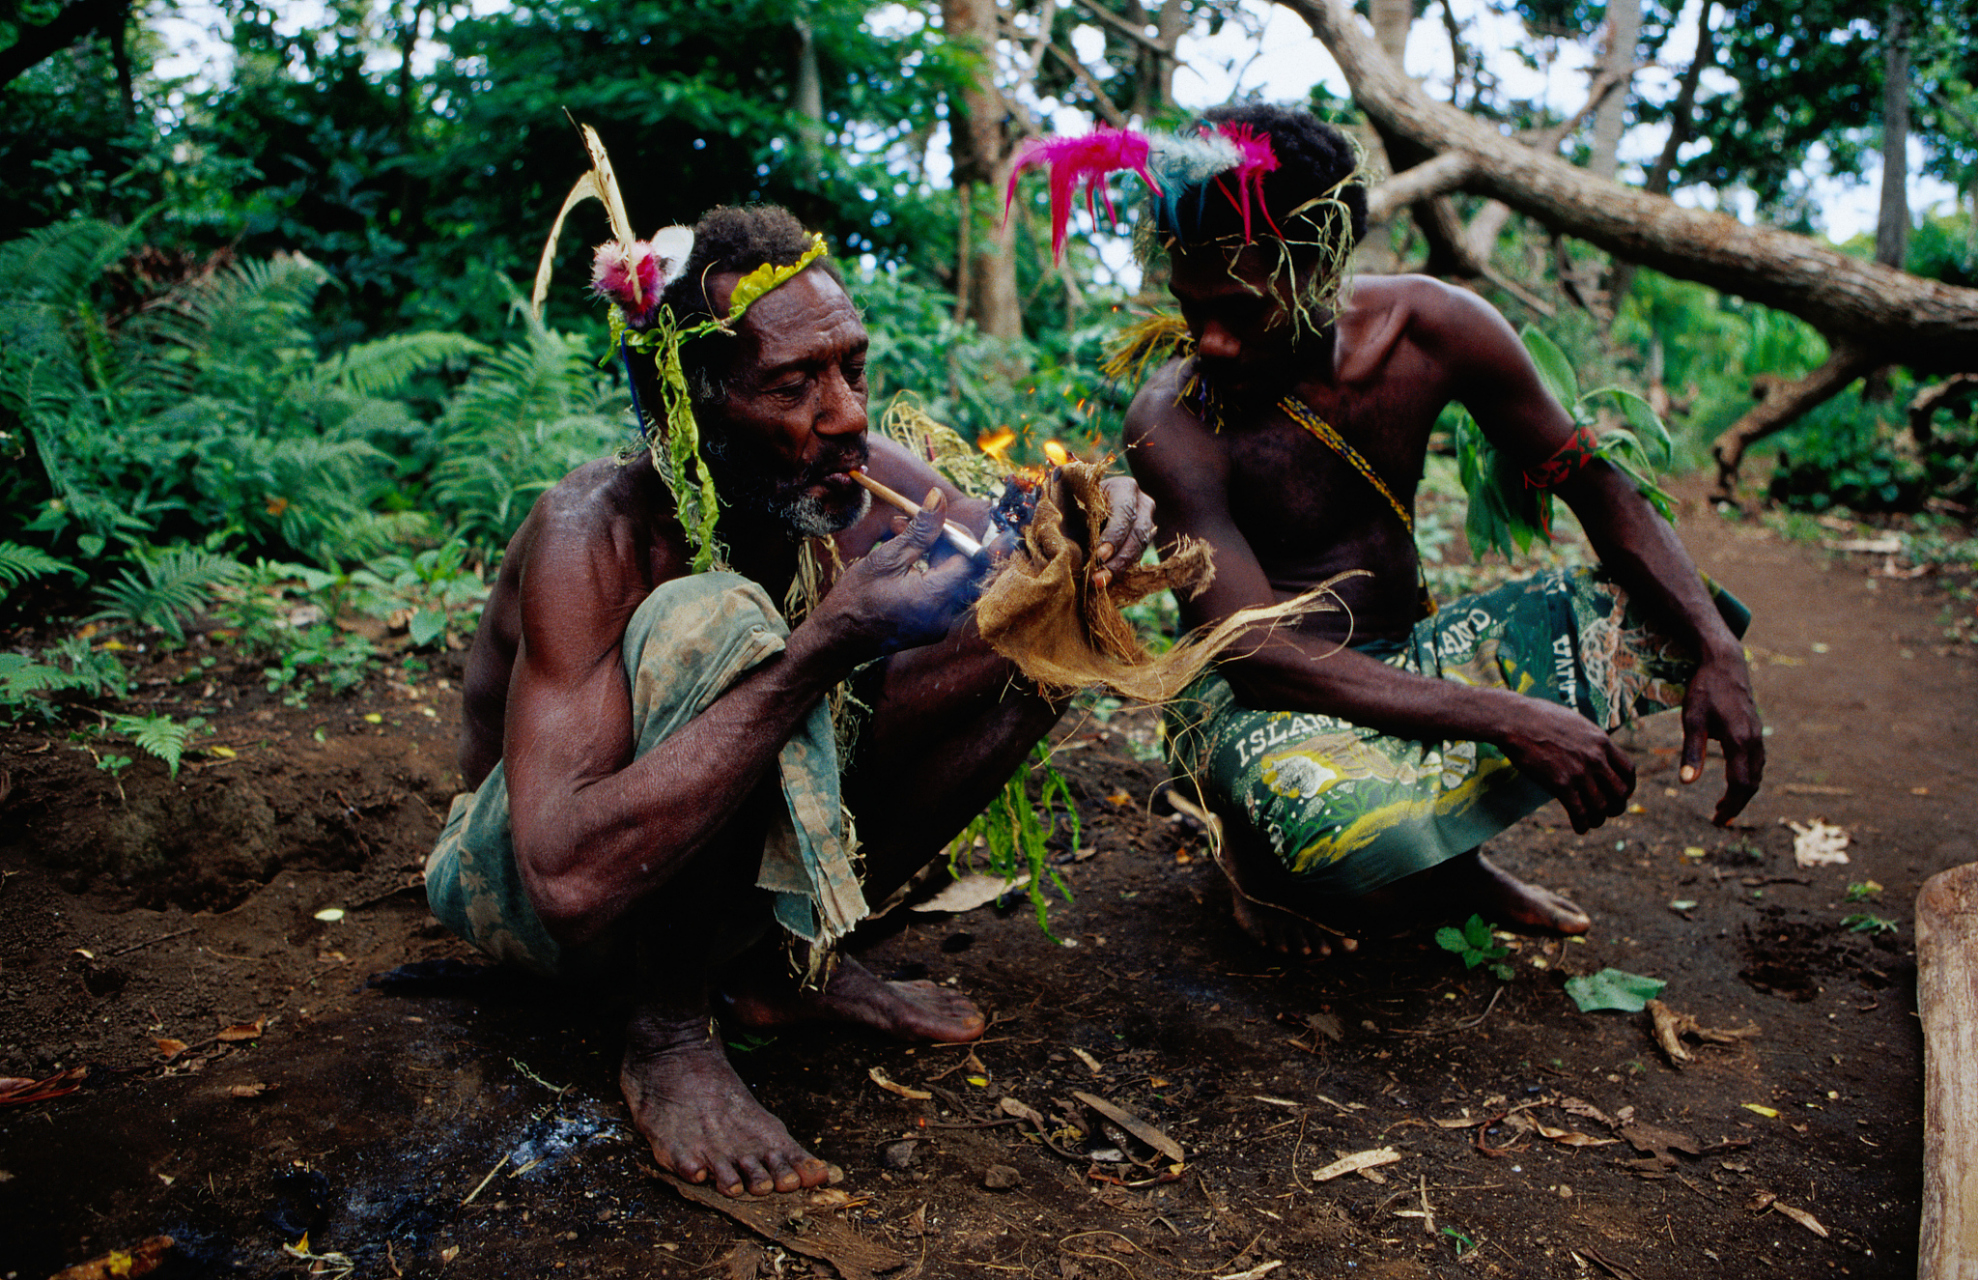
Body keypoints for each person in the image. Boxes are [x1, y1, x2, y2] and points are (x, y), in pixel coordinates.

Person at [423, 204, 1155, 1197]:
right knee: (719, 620)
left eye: (851, 367)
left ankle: (780, 963)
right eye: (791, 384)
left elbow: (1015, 553)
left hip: (669, 866)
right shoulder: (593, 532)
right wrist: (819, 648)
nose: (846, 410)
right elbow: (565, 877)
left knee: (1038, 633)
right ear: (685, 399)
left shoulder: (856, 482)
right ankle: (669, 1028)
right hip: (541, 898)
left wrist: (1087, 519)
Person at [1101, 104, 1764, 956]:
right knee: (1348, 830)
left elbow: (1598, 487)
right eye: (1192, 307)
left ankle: (1448, 869)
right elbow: (1256, 659)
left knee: (1670, 622)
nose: (1215, 342)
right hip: (1258, 701)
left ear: (1322, 269)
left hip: (1410, 660)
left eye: (1241, 308)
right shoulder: (1174, 420)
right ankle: (1263, 859)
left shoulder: (1438, 329)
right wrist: (1508, 717)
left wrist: (1717, 647)